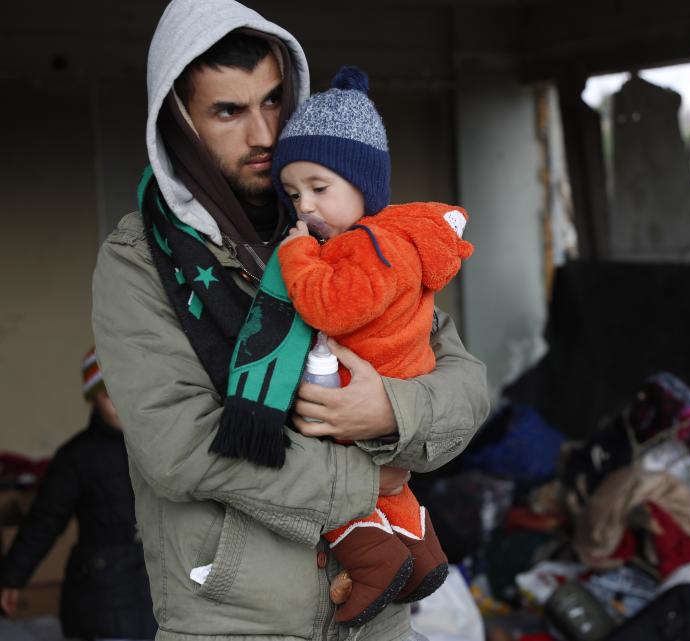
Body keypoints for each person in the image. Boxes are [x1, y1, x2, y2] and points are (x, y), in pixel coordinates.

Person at [91, 1, 490, 640]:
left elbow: (464, 380)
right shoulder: (140, 260)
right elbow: (178, 447)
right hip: (241, 624)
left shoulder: (343, 228)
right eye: (229, 111)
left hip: (377, 620)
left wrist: (390, 411)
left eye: (274, 102)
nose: (264, 134)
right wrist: (364, 479)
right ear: (179, 123)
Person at [260, 67, 472, 626]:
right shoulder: (396, 239)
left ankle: (373, 561)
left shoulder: (372, 249)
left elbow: (329, 307)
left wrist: (298, 257)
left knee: (332, 485)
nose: (303, 206)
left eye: (319, 188)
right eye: (292, 192)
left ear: (365, 186)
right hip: (397, 395)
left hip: (370, 391)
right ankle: (420, 554)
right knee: (387, 488)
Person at [0, 349, 156, 641]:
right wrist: (11, 577)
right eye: (111, 395)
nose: (122, 402)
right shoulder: (77, 456)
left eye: (129, 390)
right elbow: (42, 522)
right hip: (102, 593)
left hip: (156, 590)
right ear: (93, 399)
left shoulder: (159, 446)